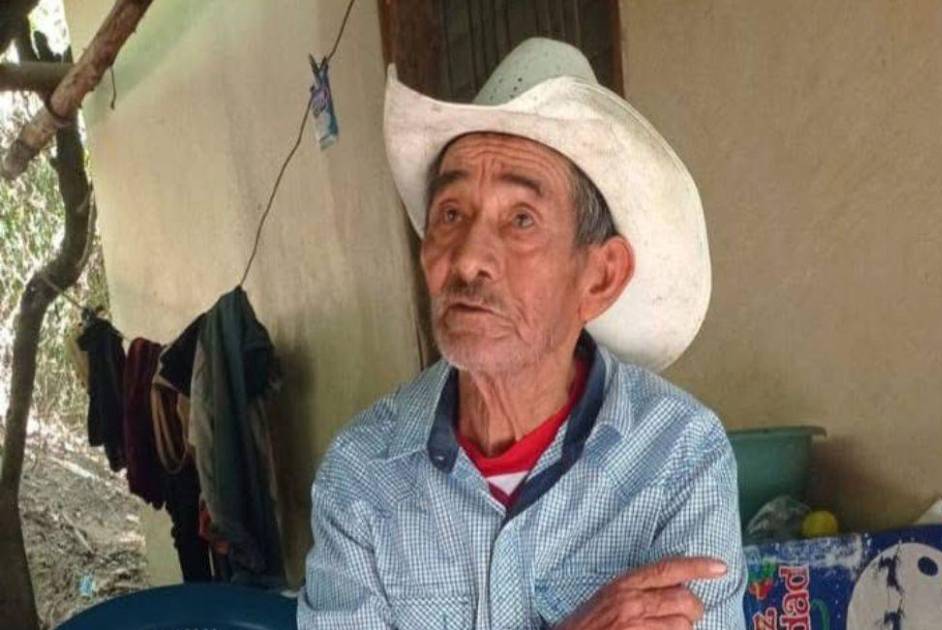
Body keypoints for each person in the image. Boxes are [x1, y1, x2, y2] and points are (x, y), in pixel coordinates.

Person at [298, 38, 746, 629]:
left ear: (599, 277)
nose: (468, 259)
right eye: (451, 213)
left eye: (521, 220)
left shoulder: (677, 455)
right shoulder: (362, 475)